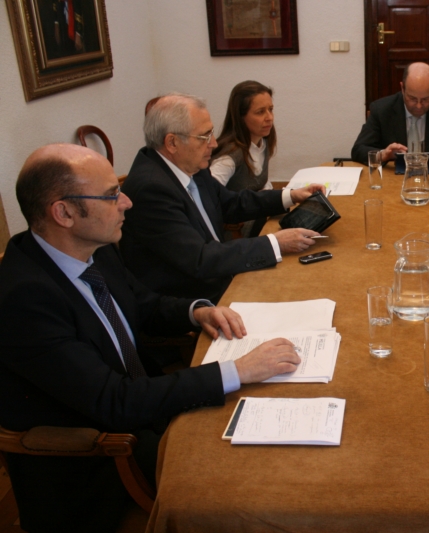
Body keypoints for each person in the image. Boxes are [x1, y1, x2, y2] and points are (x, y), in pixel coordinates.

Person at [0, 144, 303, 532]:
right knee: (262, 491)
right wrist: (237, 370)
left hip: (145, 406)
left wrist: (196, 310)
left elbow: (142, 304)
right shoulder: (25, 301)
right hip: (102, 463)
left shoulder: (93, 248)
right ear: (64, 213)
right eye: (111, 195)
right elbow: (114, 401)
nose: (127, 202)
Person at [120, 93, 325, 303]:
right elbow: (200, 259)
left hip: (220, 272)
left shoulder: (191, 165)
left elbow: (231, 203)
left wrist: (290, 195)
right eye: (204, 136)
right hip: (193, 299)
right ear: (172, 142)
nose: (214, 144)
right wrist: (275, 243)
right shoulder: (151, 189)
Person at [351, 62, 429, 165]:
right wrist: (383, 155)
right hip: (393, 180)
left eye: (425, 99)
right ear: (402, 88)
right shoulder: (381, 109)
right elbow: (358, 150)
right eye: (412, 99)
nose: (419, 106)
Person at [210, 81, 277, 239]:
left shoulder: (263, 141)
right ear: (241, 117)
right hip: (235, 236)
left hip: (257, 222)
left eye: (271, 109)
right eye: (260, 112)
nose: (269, 118)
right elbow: (209, 195)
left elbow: (261, 181)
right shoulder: (229, 156)